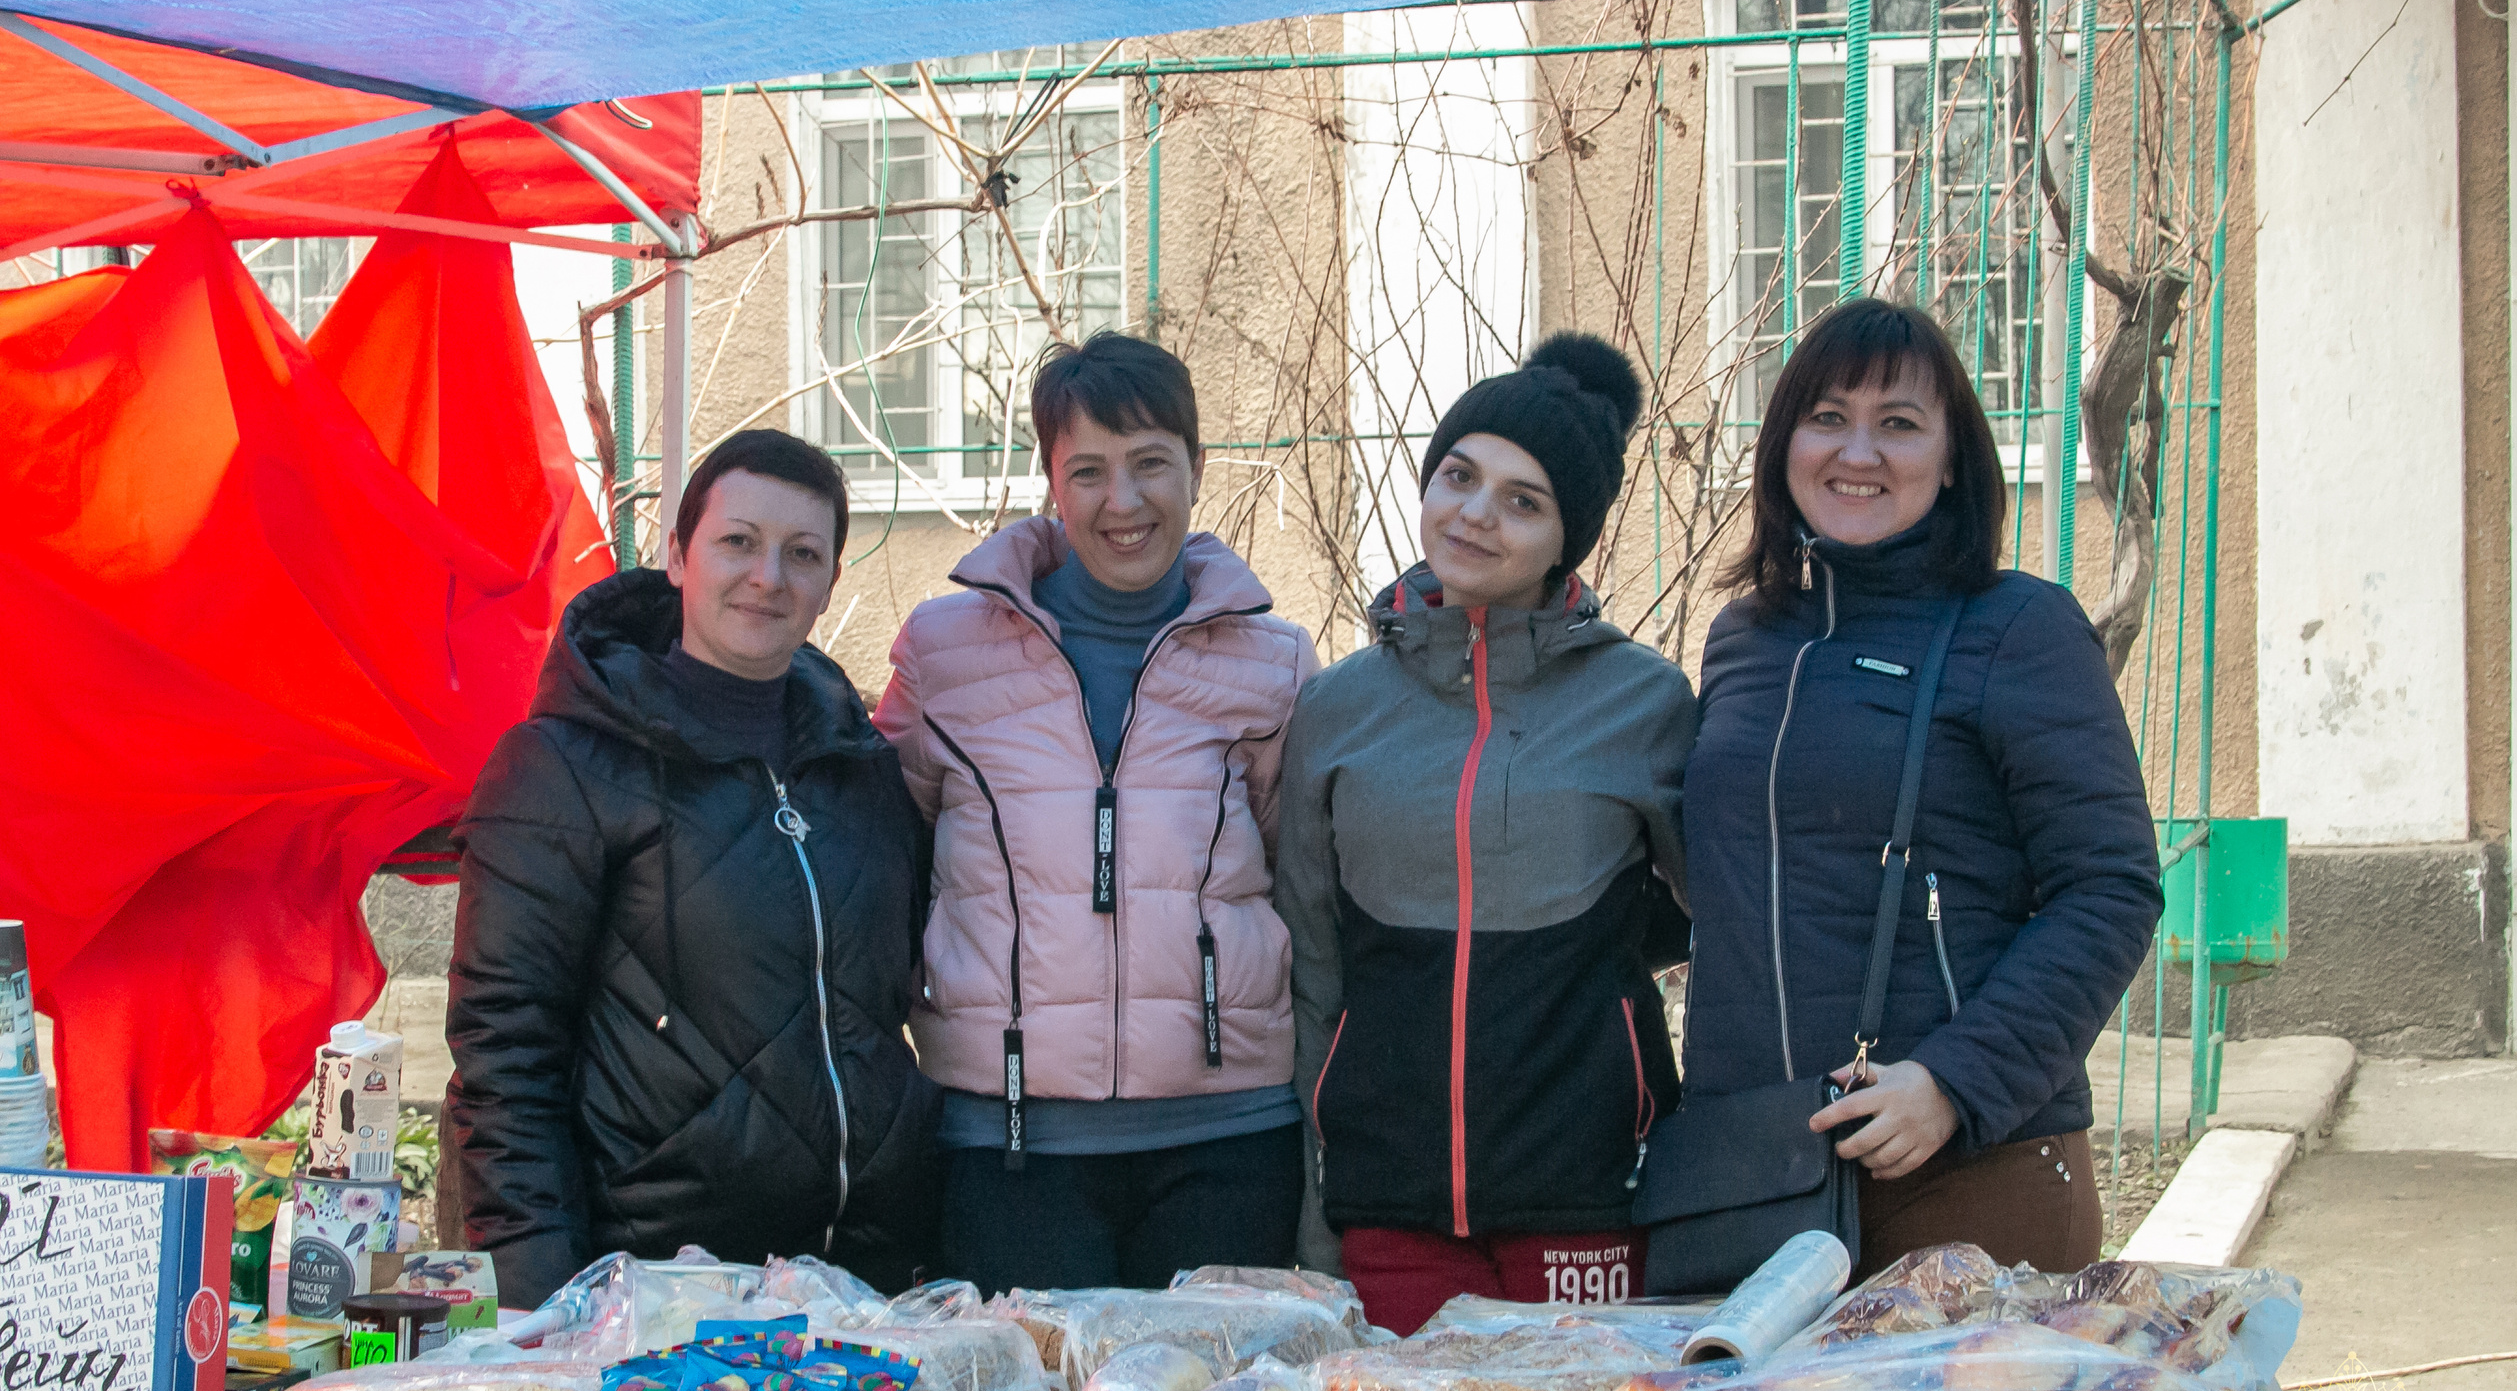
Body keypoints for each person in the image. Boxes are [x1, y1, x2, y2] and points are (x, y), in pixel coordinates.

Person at [1665, 298, 2161, 1277]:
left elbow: (2108, 890)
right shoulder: (1744, 641)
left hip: (1963, 1170)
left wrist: (1953, 1082)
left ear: (1951, 459)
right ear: (1783, 447)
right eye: (1826, 417)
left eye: (1898, 423)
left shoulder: (2020, 629)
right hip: (1752, 1167)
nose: (1859, 451)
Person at [445, 428, 942, 1310]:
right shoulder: (562, 765)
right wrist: (539, 1299)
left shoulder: (864, 767)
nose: (768, 577)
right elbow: (503, 1056)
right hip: (647, 1298)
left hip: (854, 1293)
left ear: (830, 584)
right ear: (677, 556)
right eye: (738, 542)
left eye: (802, 554)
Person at [872, 331, 1317, 1291]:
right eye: (1089, 470)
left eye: (1151, 463)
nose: (1123, 501)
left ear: (1197, 469)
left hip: (1227, 1140)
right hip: (1008, 1141)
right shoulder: (946, 654)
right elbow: (889, 863)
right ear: (1051, 482)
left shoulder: (1272, 663)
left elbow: (1296, 876)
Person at [1275, 333, 1693, 1336]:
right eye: (1458, 477)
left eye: (1523, 500)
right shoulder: (1335, 709)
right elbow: (1311, 968)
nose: (1474, 514)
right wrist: (1312, 1221)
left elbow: (1722, 914)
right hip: (1389, 1201)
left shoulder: (1644, 702)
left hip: (1590, 1194)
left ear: (1567, 539)